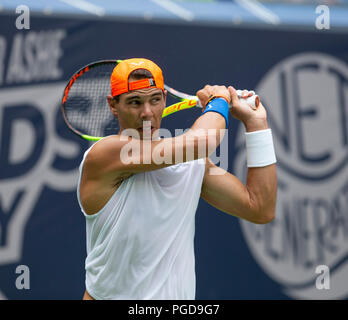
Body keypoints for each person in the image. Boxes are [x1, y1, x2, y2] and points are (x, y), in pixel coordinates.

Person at [78, 58, 277, 300]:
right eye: (134, 102)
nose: (147, 113)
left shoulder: (191, 164)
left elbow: (260, 208)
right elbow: (202, 141)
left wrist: (256, 123)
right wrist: (220, 102)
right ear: (113, 105)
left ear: (164, 98)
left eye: (154, 99)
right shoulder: (105, 154)